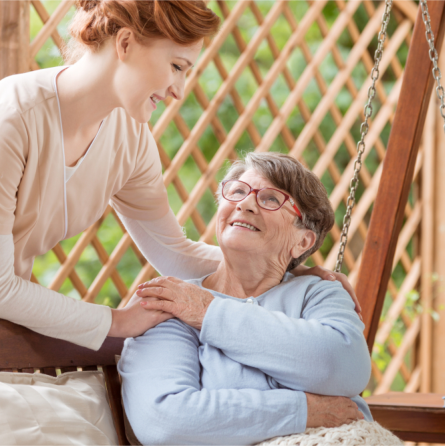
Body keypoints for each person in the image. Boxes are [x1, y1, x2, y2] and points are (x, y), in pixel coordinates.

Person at [0, 0, 358, 352]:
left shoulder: (130, 138)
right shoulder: (13, 119)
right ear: (124, 44)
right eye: (175, 66)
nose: (179, 89)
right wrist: (118, 321)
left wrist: (287, 272)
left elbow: (173, 252)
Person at [119, 153, 372, 446]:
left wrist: (210, 312)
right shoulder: (174, 303)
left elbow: (344, 366)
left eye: (270, 199)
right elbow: (166, 419)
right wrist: (304, 410)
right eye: (238, 191)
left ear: (302, 242)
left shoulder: (318, 292)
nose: (245, 203)